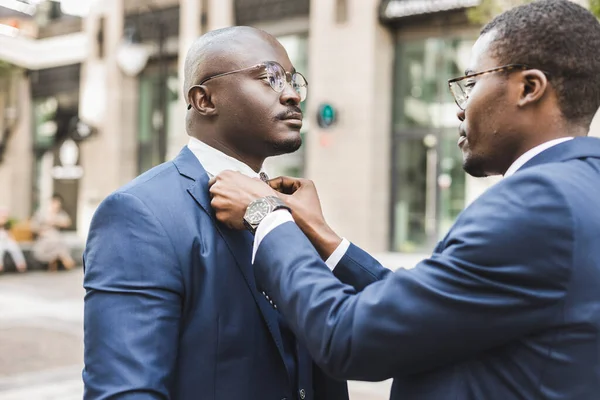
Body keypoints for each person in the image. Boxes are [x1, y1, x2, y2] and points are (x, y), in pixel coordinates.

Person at [208, 1, 600, 398]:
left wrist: (268, 216)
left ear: (529, 88)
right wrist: (325, 238)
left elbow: (350, 339)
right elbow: (430, 311)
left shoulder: (538, 204)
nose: (461, 110)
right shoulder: (584, 189)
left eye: (471, 83)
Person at [83, 26, 348, 400]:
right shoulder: (139, 214)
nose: (291, 94)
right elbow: (125, 392)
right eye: (269, 78)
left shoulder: (294, 209)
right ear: (204, 99)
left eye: (292, 80)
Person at [31, 193, 75, 271]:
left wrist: (56, 222)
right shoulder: (42, 213)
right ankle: (65, 259)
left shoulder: (60, 213)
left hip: (55, 234)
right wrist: (40, 231)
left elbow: (67, 222)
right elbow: (34, 225)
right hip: (45, 235)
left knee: (58, 240)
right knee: (55, 241)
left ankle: (57, 260)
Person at [0, 207, 26, 273]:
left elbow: (10, 234)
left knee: (15, 248)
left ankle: (21, 264)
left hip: (7, 241)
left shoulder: (7, 225)